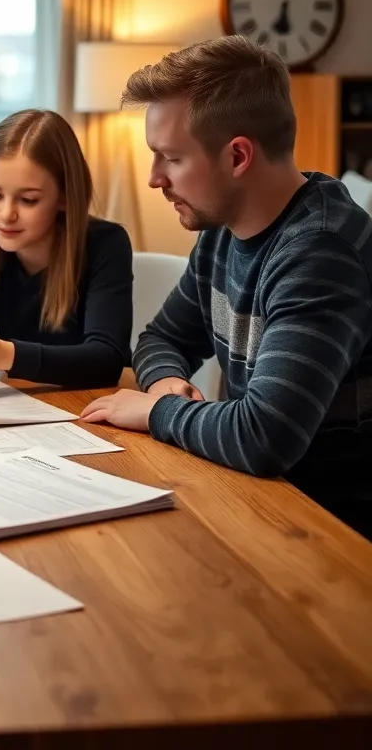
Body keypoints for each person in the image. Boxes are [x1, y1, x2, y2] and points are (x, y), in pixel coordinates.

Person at [82, 36, 372, 538]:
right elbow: (160, 339)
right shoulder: (224, 231)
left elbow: (263, 437)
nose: (155, 178)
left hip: (331, 536)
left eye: (170, 157)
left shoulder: (320, 253)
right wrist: (166, 382)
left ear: (238, 155)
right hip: (261, 503)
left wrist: (157, 411)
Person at [0, 109, 132, 387]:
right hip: (21, 408)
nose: (6, 214)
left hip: (93, 410)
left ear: (66, 196)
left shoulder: (106, 244)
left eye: (28, 200)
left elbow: (106, 362)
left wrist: (6, 355)